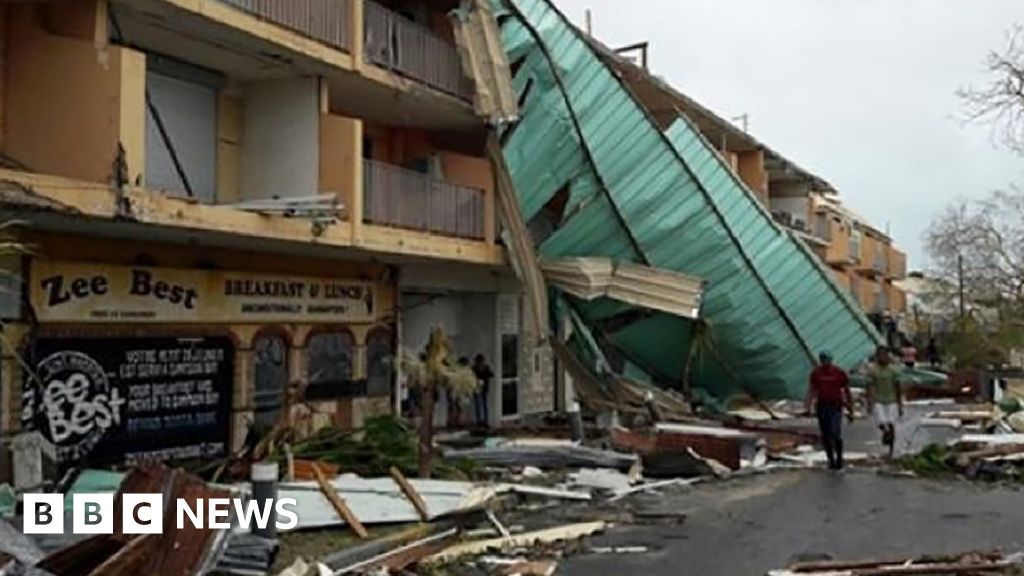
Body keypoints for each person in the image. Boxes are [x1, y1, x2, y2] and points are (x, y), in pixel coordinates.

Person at [805, 351, 854, 470]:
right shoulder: (816, 373)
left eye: (826, 359)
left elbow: (847, 390)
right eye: (822, 359)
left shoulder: (839, 373)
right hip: (822, 406)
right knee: (825, 434)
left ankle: (839, 458)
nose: (825, 361)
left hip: (836, 405)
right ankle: (830, 459)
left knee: (835, 432)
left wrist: (850, 409)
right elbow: (812, 390)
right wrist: (808, 406)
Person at [866, 346, 904, 459]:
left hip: (891, 400)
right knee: (881, 422)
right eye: (880, 355)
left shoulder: (893, 370)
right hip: (879, 400)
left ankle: (891, 450)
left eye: (885, 355)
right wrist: (870, 402)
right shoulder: (873, 370)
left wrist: (900, 405)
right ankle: (885, 433)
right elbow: (870, 387)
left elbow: (898, 388)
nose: (883, 358)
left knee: (891, 424)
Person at [472, 354, 494, 427]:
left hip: (484, 388)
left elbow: (491, 374)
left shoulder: (486, 367)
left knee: (484, 405)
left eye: (482, 361)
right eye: (480, 361)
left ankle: (485, 421)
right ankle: (479, 421)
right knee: (478, 404)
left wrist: (487, 373)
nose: (481, 362)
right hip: (477, 387)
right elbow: (471, 376)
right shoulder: (474, 368)